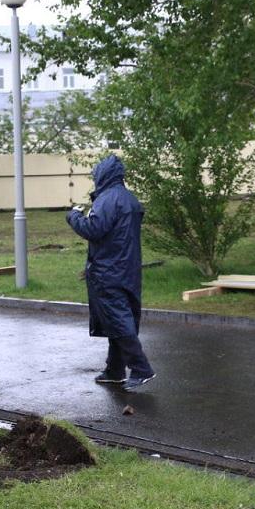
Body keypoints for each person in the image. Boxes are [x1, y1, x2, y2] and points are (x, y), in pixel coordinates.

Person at [66, 155, 155, 390]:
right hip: (128, 269)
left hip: (108, 270)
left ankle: (141, 368)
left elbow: (93, 229)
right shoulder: (129, 198)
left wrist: (74, 216)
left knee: (117, 319)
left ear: (102, 175)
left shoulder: (106, 200)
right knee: (120, 319)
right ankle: (114, 370)